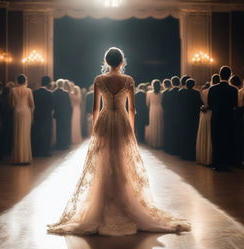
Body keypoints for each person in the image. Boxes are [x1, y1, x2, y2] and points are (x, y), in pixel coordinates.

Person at [47, 47, 191, 236]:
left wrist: (94, 129)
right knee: (122, 160)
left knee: (104, 159)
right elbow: (132, 109)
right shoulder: (128, 80)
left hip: (105, 120)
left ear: (107, 62)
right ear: (122, 61)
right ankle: (123, 200)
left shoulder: (99, 80)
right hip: (122, 120)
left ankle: (105, 199)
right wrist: (131, 129)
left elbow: (95, 109)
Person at [208, 66, 238, 171]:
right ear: (230, 75)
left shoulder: (212, 88)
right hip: (229, 118)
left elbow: (210, 105)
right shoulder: (234, 89)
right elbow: (235, 105)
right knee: (227, 141)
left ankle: (217, 164)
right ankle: (225, 165)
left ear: (219, 74)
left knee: (216, 141)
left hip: (216, 118)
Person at [196, 74, 220, 166]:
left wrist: (203, 107)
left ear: (211, 80)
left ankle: (203, 157)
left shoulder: (204, 91)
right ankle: (210, 158)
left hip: (204, 114)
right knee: (211, 135)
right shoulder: (215, 91)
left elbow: (202, 104)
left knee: (204, 134)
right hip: (211, 114)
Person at [11, 74, 34, 164]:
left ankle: (17, 158)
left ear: (17, 81)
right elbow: (32, 104)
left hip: (17, 112)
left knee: (17, 134)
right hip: (26, 112)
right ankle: (25, 158)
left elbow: (12, 104)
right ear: (25, 81)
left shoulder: (13, 90)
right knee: (25, 134)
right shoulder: (28, 90)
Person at [180, 79, 202, 160]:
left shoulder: (181, 92)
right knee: (192, 136)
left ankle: (184, 154)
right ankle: (191, 154)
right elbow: (200, 104)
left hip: (183, 117)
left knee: (184, 136)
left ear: (186, 84)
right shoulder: (196, 93)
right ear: (193, 85)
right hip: (193, 117)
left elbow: (178, 105)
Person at [32, 76, 54, 157]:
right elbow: (52, 106)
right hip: (47, 116)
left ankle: (36, 151)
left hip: (37, 115)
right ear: (48, 83)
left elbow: (33, 105)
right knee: (46, 134)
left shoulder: (34, 92)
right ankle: (45, 151)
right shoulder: (50, 93)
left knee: (37, 133)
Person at [53, 79, 72, 150]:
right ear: (62, 85)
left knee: (58, 129)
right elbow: (68, 105)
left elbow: (53, 104)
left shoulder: (54, 92)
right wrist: (69, 114)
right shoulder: (65, 93)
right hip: (65, 114)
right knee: (64, 129)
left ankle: (59, 145)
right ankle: (65, 144)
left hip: (58, 114)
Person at [145, 79, 163, 148]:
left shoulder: (149, 93)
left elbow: (147, 103)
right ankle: (160, 143)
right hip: (160, 109)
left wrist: (151, 106)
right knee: (160, 125)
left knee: (153, 125)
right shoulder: (162, 93)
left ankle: (153, 143)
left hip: (152, 109)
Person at [161, 78, 172, 153]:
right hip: (173, 113)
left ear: (164, 85)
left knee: (166, 130)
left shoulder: (164, 92)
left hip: (167, 113)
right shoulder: (174, 91)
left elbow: (163, 104)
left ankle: (167, 147)